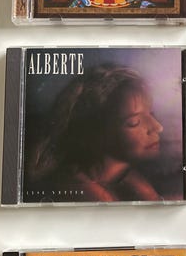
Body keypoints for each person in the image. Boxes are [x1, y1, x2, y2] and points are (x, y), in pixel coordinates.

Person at [26, 65, 165, 202]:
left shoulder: (125, 179)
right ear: (98, 132)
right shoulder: (86, 194)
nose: (158, 127)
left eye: (151, 114)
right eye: (134, 122)